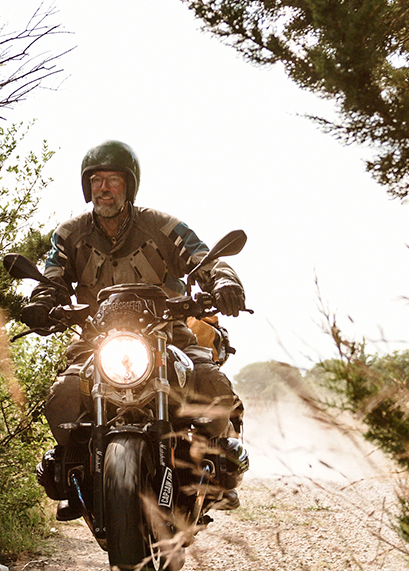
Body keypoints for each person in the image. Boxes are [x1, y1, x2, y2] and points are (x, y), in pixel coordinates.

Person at [22, 140, 249, 518]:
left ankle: (214, 474)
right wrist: (42, 303)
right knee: (63, 394)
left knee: (211, 383)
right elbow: (52, 278)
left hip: (169, 333)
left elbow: (204, 258)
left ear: (129, 185)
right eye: (96, 180)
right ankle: (76, 473)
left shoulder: (162, 226)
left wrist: (224, 282)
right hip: (96, 339)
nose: (104, 188)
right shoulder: (70, 234)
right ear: (87, 186)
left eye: (113, 180)